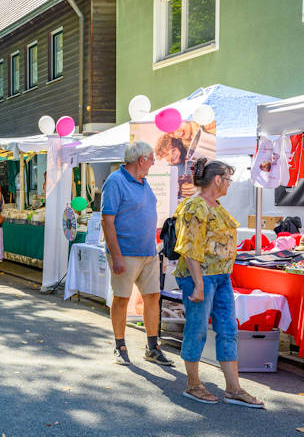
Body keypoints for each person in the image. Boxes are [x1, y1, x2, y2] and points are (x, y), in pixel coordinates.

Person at [174, 158, 263, 408]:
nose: (229, 184)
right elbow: (189, 248)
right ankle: (193, 385)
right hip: (200, 277)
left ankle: (233, 389)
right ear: (217, 180)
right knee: (198, 328)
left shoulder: (217, 206)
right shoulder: (195, 206)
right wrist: (199, 284)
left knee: (228, 330)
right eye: (228, 179)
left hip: (221, 277)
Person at [101, 141, 172, 366]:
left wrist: (155, 250)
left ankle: (152, 347)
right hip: (126, 252)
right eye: (151, 159)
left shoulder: (144, 182)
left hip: (148, 252)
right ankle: (119, 345)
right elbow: (107, 221)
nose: (153, 163)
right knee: (121, 299)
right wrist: (117, 256)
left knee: (153, 297)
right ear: (141, 160)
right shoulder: (115, 182)